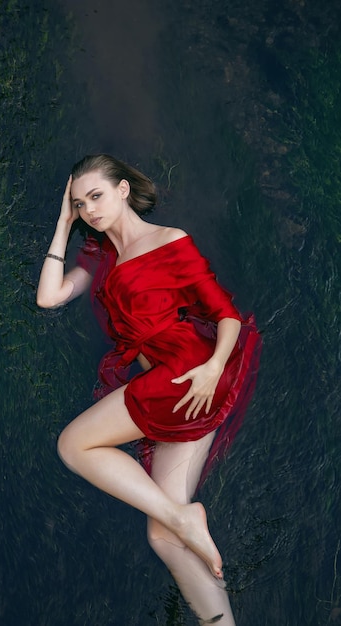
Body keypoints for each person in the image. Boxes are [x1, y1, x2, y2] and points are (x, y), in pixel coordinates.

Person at [37, 154, 261, 625]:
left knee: (73, 444)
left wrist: (213, 367)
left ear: (122, 190)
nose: (90, 210)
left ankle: (184, 518)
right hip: (177, 389)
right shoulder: (99, 260)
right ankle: (219, 622)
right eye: (80, 204)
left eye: (96, 196)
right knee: (162, 536)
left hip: (189, 375)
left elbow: (226, 314)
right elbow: (49, 297)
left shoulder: (168, 241)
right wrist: (62, 223)